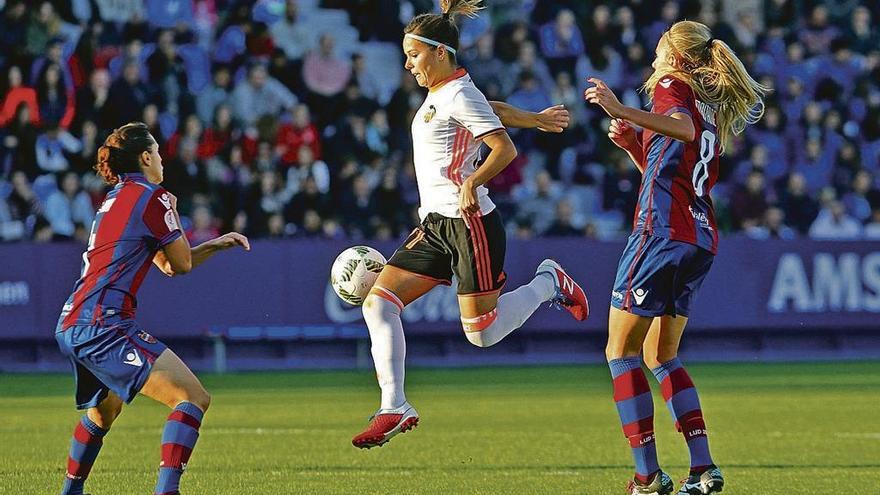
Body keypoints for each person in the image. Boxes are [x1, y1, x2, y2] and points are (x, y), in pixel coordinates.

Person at [350, 0, 589, 450]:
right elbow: (490, 106)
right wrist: (534, 118)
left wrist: (474, 180)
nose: (408, 64)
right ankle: (394, 406)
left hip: (469, 222)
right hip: (435, 225)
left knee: (482, 335)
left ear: (440, 52)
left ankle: (547, 282)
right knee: (378, 304)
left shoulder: (457, 93)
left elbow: (503, 149)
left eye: (414, 55)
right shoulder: (450, 93)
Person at [584, 20, 768, 495]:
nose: (655, 47)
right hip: (698, 237)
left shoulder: (672, 85)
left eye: (662, 39)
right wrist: (633, 146)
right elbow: (671, 170)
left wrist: (617, 106)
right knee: (660, 354)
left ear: (676, 55)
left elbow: (680, 131)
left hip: (660, 233)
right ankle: (702, 469)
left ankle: (647, 476)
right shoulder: (706, 107)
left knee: (620, 352)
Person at [55, 122, 250, 495]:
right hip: (105, 325)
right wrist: (173, 213)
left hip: (73, 320)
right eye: (158, 152)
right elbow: (179, 267)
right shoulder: (153, 197)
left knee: (104, 411)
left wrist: (215, 244)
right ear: (145, 157)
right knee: (192, 398)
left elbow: (165, 263)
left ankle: (70, 491)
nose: (162, 159)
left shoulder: (115, 197)